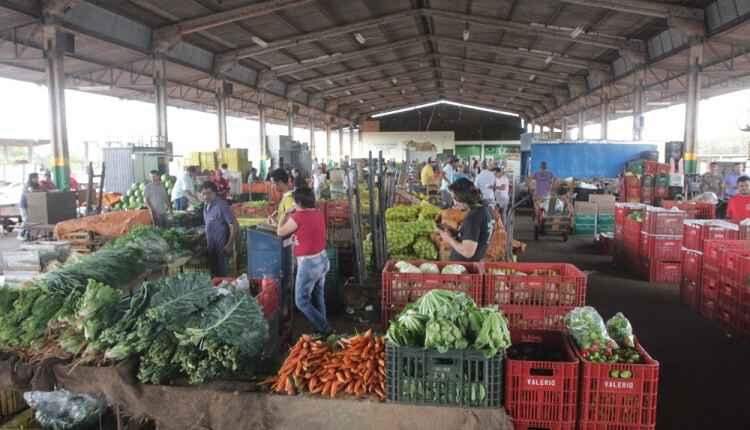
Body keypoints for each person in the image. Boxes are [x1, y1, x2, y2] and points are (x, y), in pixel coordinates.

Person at [276, 187, 331, 334]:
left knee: (301, 302)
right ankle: (322, 328)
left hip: (309, 264)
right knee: (318, 295)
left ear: (298, 202)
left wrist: (285, 214)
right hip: (323, 259)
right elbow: (309, 232)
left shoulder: (297, 217)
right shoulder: (318, 213)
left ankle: (325, 329)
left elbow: (280, 232)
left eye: (294, 201)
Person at [436, 178, 494, 262]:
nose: (454, 202)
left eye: (455, 198)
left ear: (463, 196)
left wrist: (448, 238)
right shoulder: (483, 210)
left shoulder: (473, 218)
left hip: (464, 267)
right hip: (473, 262)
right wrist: (455, 233)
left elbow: (467, 252)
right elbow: (475, 236)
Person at [201, 181, 238, 277]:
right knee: (214, 272)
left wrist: (229, 244)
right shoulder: (206, 205)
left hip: (222, 246)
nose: (205, 196)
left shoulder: (222, 205)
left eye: (208, 193)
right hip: (211, 246)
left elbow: (234, 225)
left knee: (223, 273)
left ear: (215, 193)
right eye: (203, 193)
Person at [18, 173, 41, 240]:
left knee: (31, 220)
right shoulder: (28, 185)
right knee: (26, 220)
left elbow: (39, 191)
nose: (37, 179)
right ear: (32, 178)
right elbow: (31, 192)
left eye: (37, 178)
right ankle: (21, 234)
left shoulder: (37, 185)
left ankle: (28, 235)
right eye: (36, 178)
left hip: (31, 206)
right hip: (24, 205)